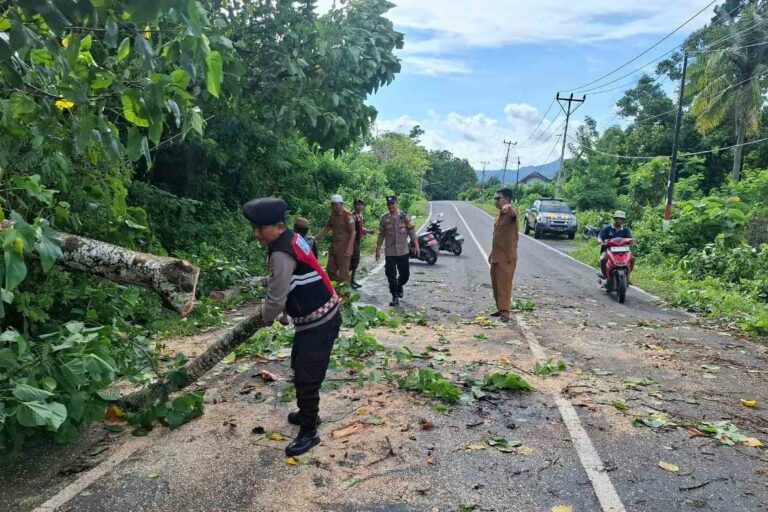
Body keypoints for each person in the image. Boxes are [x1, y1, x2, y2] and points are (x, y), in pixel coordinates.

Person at [243, 197, 341, 457]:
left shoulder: (281, 252)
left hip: (320, 322)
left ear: (277, 226)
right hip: (316, 319)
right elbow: (289, 282)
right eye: (254, 227)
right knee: (300, 365)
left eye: (260, 228)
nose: (256, 234)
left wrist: (265, 318)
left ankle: (309, 431)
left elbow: (275, 299)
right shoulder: (293, 238)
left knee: (307, 377)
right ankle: (309, 413)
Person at [376, 195, 419, 307]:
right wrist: (378, 249)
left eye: (392, 203)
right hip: (390, 252)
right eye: (389, 204)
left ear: (396, 204)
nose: (390, 206)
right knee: (391, 275)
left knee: (405, 274)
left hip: (403, 251)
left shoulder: (404, 216)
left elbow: (412, 231)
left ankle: (400, 285)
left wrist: (416, 245)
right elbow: (381, 234)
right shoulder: (384, 218)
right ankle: (395, 296)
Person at [489, 188, 519, 323]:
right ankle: (500, 308)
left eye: (498, 198)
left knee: (504, 285)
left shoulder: (510, 212)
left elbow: (514, 215)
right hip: (496, 255)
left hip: (506, 257)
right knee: (496, 284)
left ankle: (505, 312)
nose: (496, 201)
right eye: (495, 198)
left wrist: (509, 207)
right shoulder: (500, 214)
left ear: (506, 199)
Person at [315, 195, 355, 285]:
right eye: (333, 205)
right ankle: (341, 285)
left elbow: (353, 232)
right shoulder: (332, 215)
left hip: (344, 250)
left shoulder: (347, 215)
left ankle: (346, 295)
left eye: (336, 205)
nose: (334, 207)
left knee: (344, 274)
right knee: (330, 271)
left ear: (342, 204)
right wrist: (315, 238)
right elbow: (326, 228)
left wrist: (350, 247)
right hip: (334, 248)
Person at [598, 210, 633, 279]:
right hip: (609, 249)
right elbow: (600, 236)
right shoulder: (607, 228)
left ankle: (627, 276)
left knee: (632, 259)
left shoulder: (626, 230)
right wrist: (600, 241)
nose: (620, 221)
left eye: (622, 219)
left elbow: (630, 238)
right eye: (618, 218)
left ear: (623, 221)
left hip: (622, 251)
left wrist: (632, 241)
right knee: (603, 259)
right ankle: (604, 275)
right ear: (615, 219)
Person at [350, 198, 372, 289]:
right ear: (354, 206)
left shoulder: (360, 216)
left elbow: (361, 228)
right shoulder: (352, 216)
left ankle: (352, 280)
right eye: (357, 205)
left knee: (356, 260)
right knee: (354, 260)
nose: (359, 206)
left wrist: (369, 231)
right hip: (352, 241)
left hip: (358, 241)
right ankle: (349, 281)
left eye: (360, 205)